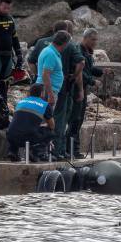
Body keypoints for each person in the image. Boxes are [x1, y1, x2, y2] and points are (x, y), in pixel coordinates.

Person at [31, 26, 84, 160]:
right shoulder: (50, 53)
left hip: (49, 89)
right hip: (48, 90)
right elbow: (45, 74)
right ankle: (43, 151)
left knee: (46, 121)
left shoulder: (50, 51)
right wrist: (50, 94)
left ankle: (45, 151)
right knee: (46, 122)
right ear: (65, 43)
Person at [67, 28, 108, 159]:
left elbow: (89, 69)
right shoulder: (79, 51)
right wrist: (92, 81)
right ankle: (71, 149)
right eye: (93, 39)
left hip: (83, 88)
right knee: (75, 119)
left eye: (96, 39)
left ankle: (73, 149)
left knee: (79, 120)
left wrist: (102, 72)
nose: (95, 42)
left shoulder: (87, 52)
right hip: (76, 89)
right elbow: (79, 72)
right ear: (85, 38)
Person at [0, 0, 24, 103]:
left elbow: (15, 37)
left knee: (5, 82)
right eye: (4, 7)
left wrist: (19, 54)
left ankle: (3, 104)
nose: (7, 10)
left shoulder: (10, 19)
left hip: (8, 55)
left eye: (9, 8)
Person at [6, 83, 55, 162]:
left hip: (11, 136)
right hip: (28, 138)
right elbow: (52, 126)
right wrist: (43, 125)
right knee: (50, 132)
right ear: (42, 93)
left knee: (17, 129)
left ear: (29, 92)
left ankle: (12, 151)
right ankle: (36, 152)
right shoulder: (45, 105)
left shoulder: (21, 102)